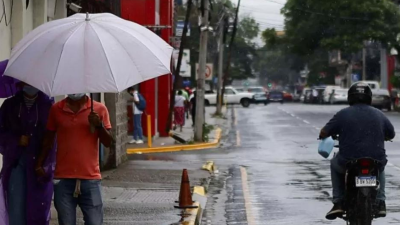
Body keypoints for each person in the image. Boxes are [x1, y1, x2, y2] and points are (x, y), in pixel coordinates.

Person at [320, 82, 395, 220]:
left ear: (350, 97)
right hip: (375, 159)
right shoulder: (379, 114)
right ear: (369, 97)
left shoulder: (342, 114)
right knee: (381, 167)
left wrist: (323, 136)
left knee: (334, 164)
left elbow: (324, 131)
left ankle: (338, 202)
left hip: (348, 160)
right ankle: (381, 202)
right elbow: (391, 133)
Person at [35, 94, 113, 225]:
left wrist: (99, 125)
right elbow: (48, 139)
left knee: (94, 222)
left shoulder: (99, 109)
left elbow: (108, 142)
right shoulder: (56, 109)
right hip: (63, 179)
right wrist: (39, 163)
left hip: (90, 179)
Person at [0, 83, 55, 225]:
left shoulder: (48, 106)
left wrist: (47, 165)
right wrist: (16, 140)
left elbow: (54, 138)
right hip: (16, 163)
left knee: (38, 211)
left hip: (40, 166)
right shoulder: (9, 105)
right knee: (16, 209)